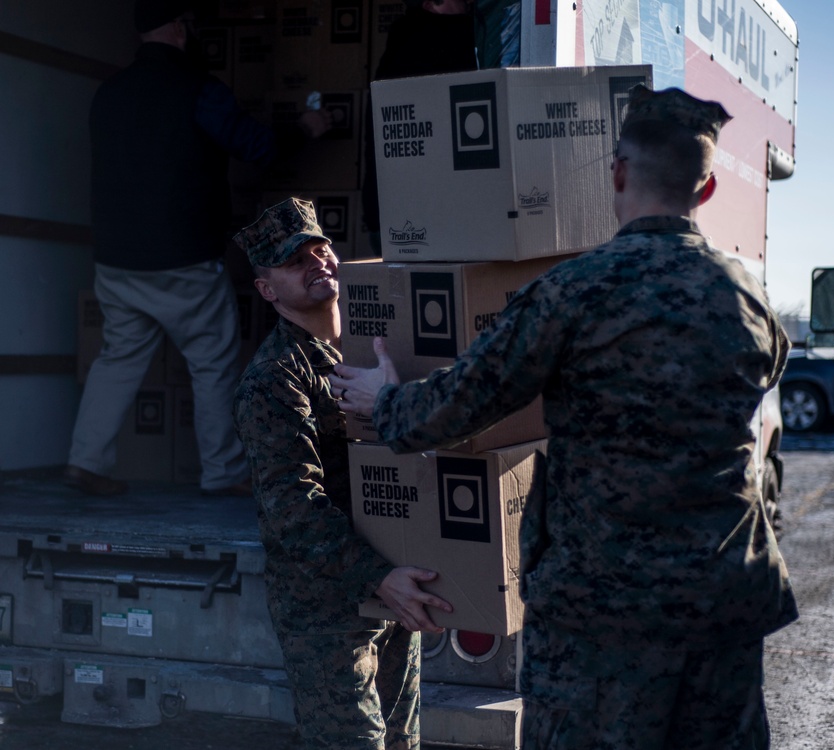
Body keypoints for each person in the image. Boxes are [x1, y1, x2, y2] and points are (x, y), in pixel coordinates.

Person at [331, 86, 797, 749]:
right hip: (720, 602)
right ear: (709, 188)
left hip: (604, 612)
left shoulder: (573, 292)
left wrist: (386, 401)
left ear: (616, 173)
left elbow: (466, 401)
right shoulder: (750, 294)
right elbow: (764, 375)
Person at [65, 0, 330, 497]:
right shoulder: (198, 90)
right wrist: (306, 129)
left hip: (117, 259)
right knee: (212, 362)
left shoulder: (107, 93)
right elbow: (256, 147)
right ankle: (222, 474)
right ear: (179, 30)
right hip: (183, 257)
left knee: (118, 358)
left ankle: (85, 459)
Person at [231, 197, 452, 750]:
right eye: (293, 261)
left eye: (320, 248)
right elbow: (293, 509)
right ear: (267, 290)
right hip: (328, 608)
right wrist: (379, 575)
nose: (317, 263)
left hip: (394, 578)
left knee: (403, 742)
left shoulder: (377, 343)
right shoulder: (275, 379)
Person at [361, 0, 478, 254]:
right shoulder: (438, 38)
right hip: (423, 218)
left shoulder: (407, 38)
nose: (471, 3)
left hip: (400, 216)